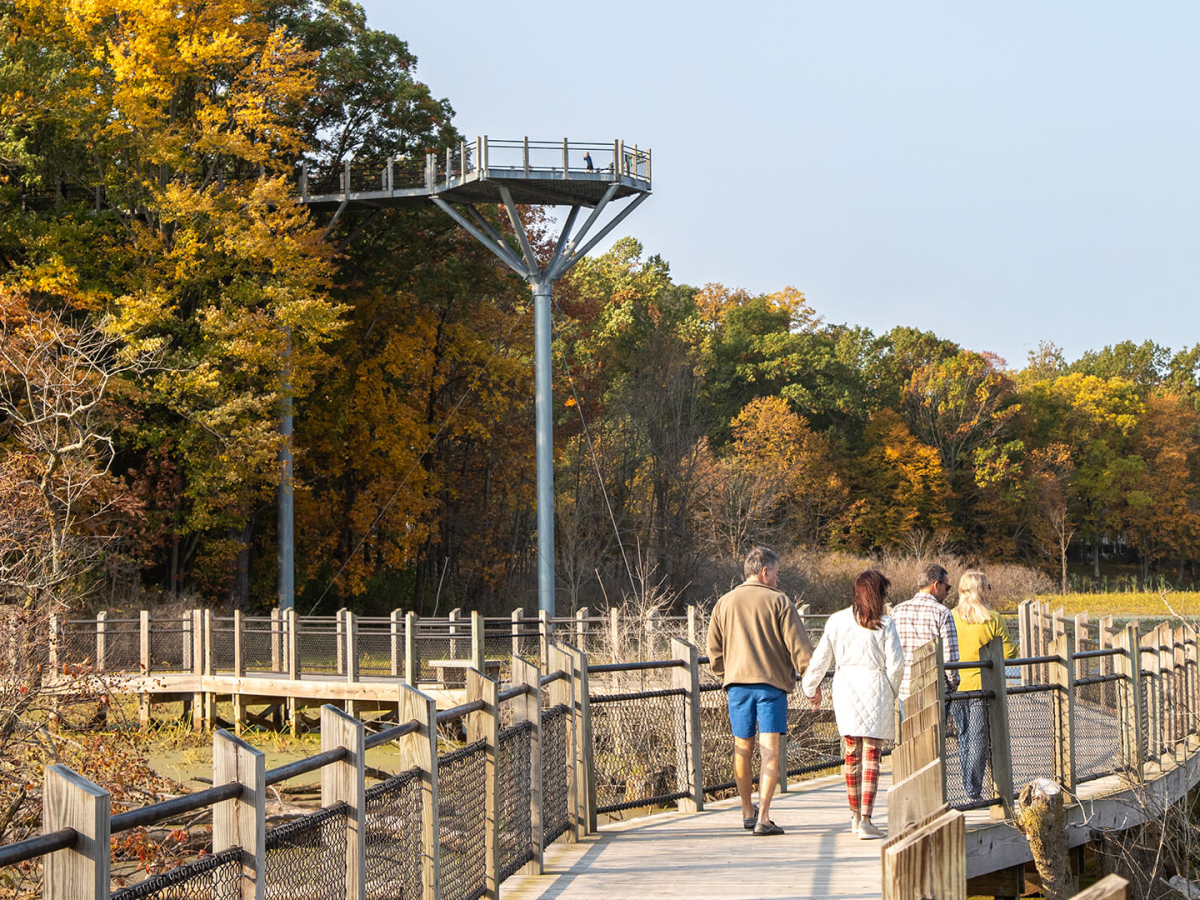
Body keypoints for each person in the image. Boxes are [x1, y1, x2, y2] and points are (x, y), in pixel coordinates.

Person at [707, 547, 815, 836]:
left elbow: (713, 652)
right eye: (777, 573)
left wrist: (726, 674)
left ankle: (746, 810)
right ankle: (764, 817)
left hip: (737, 687)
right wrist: (810, 681)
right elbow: (800, 649)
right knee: (771, 752)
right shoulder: (779, 602)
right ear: (764, 572)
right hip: (771, 687)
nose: (779, 579)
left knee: (742, 748)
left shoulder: (724, 603)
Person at [801, 570, 903, 839]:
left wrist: (810, 687)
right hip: (876, 686)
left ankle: (855, 815)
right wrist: (890, 692)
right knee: (872, 757)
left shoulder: (836, 621)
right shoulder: (885, 624)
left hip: (845, 687)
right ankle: (867, 820)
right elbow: (896, 666)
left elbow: (821, 657)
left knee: (851, 755)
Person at [949, 570, 1017, 801]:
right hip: (983, 686)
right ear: (980, 590)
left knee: (965, 736)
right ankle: (972, 790)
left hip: (956, 686)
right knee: (978, 737)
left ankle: (969, 785)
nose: (991, 590)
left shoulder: (951, 617)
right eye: (988, 586)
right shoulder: (993, 618)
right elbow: (1009, 653)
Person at [891, 563, 960, 706]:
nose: (947, 592)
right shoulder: (942, 612)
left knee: (907, 729)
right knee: (937, 729)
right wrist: (952, 685)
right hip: (934, 690)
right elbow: (950, 658)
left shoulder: (896, 611)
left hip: (904, 690)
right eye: (947, 587)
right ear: (936, 585)